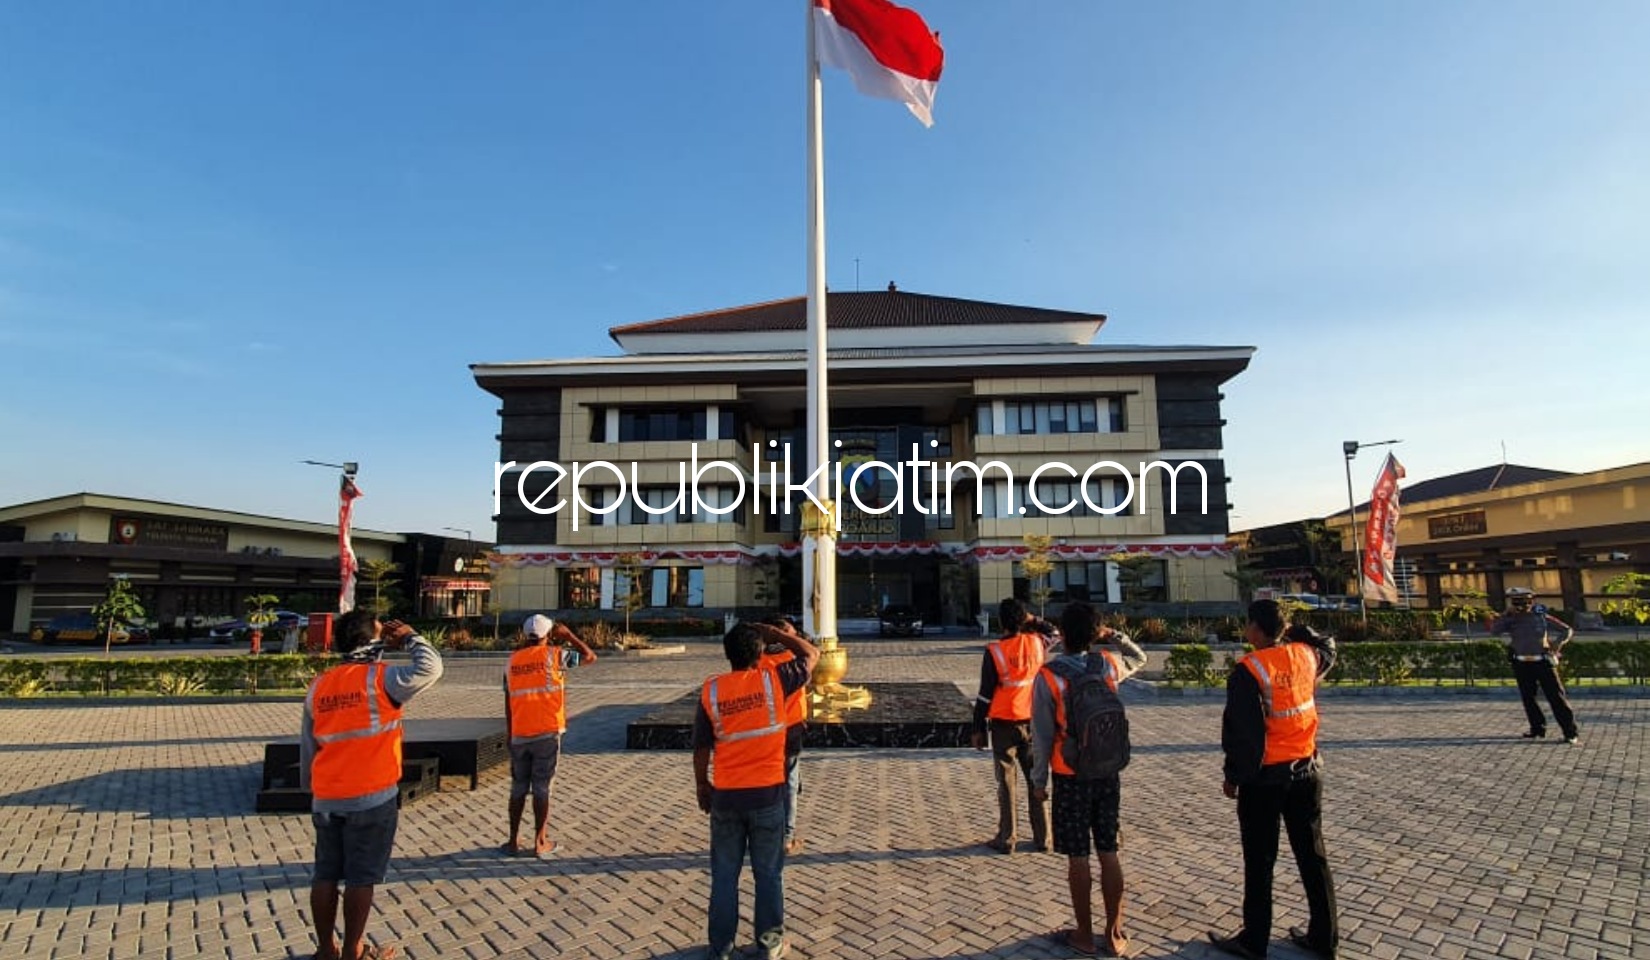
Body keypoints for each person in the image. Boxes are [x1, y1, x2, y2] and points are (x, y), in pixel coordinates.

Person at [301, 610, 443, 960]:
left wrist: (312, 789)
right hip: (371, 796)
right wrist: (410, 635)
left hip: (327, 796)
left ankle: (324, 950)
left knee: (325, 874)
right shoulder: (382, 680)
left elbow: (308, 744)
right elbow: (432, 667)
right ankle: (353, 950)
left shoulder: (320, 684)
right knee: (361, 878)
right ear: (370, 641)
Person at [1209, 603, 1339, 960]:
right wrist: (1297, 632)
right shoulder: (1306, 655)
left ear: (1255, 629)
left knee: (1260, 859)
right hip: (1308, 769)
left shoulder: (1250, 669)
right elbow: (1328, 646)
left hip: (1265, 778)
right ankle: (1324, 937)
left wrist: (1233, 776)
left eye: (1247, 625)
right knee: (1313, 856)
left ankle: (1255, 940)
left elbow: (1243, 734)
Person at [694, 620, 820, 960]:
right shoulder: (774, 681)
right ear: (761, 652)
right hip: (767, 795)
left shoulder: (713, 690)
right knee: (768, 874)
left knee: (723, 875)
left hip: (726, 797)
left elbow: (701, 746)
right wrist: (780, 634)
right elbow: (813, 654)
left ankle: (720, 947)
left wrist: (701, 785)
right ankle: (769, 944)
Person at [1031, 601, 1146, 957]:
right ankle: (1114, 933)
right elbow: (1140, 658)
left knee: (1078, 856)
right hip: (1107, 770)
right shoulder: (1108, 665)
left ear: (1061, 634)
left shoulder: (1050, 676)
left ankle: (1083, 933)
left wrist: (1038, 781)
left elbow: (1043, 735)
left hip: (1070, 775)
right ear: (1096, 633)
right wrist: (1115, 636)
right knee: (1108, 851)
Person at [503, 614, 598, 857]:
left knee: (518, 787)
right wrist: (569, 636)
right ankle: (539, 841)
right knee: (542, 788)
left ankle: (513, 840)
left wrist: (510, 732)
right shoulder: (556, 655)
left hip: (519, 732)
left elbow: (508, 700)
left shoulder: (512, 661)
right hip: (546, 731)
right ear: (549, 634)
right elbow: (590, 657)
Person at [972, 598, 1051, 854]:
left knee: (1006, 783)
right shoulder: (1038, 643)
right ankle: (1044, 837)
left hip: (1004, 724)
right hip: (1034, 722)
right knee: (1035, 780)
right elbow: (1055, 631)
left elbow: (984, 695)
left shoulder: (995, 651)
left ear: (1000, 622)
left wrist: (978, 729)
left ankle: (1007, 838)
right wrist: (1032, 620)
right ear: (1024, 619)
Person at [1487, 587, 1579, 743]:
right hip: (1521, 662)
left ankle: (1570, 732)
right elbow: (1494, 631)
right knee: (1529, 698)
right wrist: (1504, 615)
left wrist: (1557, 644)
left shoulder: (1540, 617)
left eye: (1523, 602)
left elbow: (1567, 630)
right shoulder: (1511, 619)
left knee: (1556, 698)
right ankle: (1537, 729)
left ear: (1531, 602)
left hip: (1542, 661)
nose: (1520, 606)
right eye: (1516, 602)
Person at [760, 616, 809, 855]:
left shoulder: (756, 661)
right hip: (788, 729)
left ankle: (766, 834)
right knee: (789, 784)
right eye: (791, 632)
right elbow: (812, 653)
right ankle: (786, 837)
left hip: (764, 731)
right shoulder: (792, 660)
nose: (796, 635)